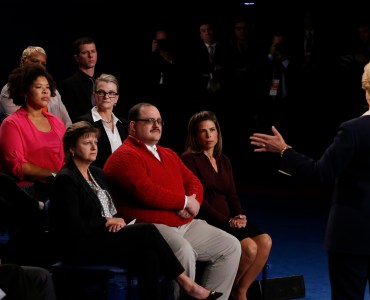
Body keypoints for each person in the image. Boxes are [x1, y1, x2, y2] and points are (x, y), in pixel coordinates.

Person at [249, 54, 370, 300]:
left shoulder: (353, 129)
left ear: (367, 86)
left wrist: (285, 151)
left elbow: (321, 173)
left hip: (353, 234)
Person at [49, 121, 222, 300]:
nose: (94, 147)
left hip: (106, 236)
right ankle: (187, 284)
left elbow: (110, 209)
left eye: (95, 142)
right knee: (147, 230)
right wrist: (107, 221)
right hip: (81, 245)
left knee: (149, 253)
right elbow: (72, 226)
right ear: (71, 149)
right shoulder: (66, 180)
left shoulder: (97, 173)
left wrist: (117, 221)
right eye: (87, 143)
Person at [103, 102, 241, 300]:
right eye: (149, 121)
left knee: (230, 246)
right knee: (184, 252)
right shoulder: (124, 156)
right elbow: (147, 192)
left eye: (159, 121)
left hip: (184, 223)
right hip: (151, 227)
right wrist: (184, 202)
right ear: (133, 126)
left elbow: (194, 182)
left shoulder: (168, 153)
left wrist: (192, 205)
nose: (156, 125)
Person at [181, 110, 272, 300]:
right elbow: (199, 200)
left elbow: (232, 193)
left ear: (218, 133)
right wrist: (227, 221)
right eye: (203, 131)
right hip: (209, 220)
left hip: (230, 219)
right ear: (195, 135)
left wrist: (239, 215)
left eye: (212, 130)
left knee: (265, 241)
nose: (208, 135)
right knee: (249, 248)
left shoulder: (224, 160)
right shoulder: (189, 159)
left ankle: (240, 291)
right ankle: (227, 292)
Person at [0, 63, 65, 267]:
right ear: (25, 90)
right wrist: (54, 176)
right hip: (26, 195)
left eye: (47, 86)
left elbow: (65, 160)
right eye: (38, 87)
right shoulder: (12, 123)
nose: (46, 91)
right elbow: (17, 166)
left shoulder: (56, 121)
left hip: (57, 189)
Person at [0, 46, 72, 127]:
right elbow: (20, 124)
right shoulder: (10, 89)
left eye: (43, 64)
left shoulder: (53, 91)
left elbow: (67, 123)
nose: (39, 67)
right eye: (35, 61)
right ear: (22, 62)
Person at [76, 73, 128, 169]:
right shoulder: (84, 123)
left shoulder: (124, 124)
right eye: (101, 92)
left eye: (111, 93)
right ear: (94, 95)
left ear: (116, 98)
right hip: (99, 179)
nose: (106, 96)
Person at [59, 36, 99, 120]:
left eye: (93, 51)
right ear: (77, 58)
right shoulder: (68, 85)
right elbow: (71, 117)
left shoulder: (100, 82)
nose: (90, 55)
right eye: (85, 52)